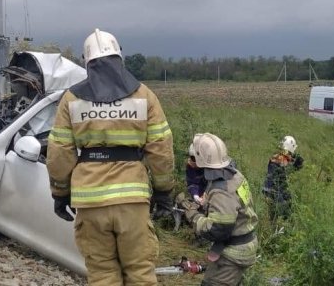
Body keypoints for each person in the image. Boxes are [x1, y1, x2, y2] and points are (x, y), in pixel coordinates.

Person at [46, 29, 174, 285]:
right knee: (140, 272)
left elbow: (60, 154)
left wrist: (60, 194)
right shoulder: (143, 95)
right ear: (120, 57)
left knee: (102, 274)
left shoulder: (71, 99)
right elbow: (160, 149)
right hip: (133, 201)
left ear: (87, 61)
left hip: (90, 202)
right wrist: (163, 192)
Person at [176, 133, 259, 286]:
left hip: (233, 252)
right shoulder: (235, 176)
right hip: (244, 242)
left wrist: (193, 215)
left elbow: (218, 230)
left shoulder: (221, 189)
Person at [262, 135, 304, 222]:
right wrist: (295, 165)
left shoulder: (282, 157)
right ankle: (278, 229)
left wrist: (297, 164)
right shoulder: (278, 159)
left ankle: (282, 226)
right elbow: (284, 171)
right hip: (273, 189)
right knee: (283, 210)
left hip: (279, 188)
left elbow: (287, 168)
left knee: (289, 204)